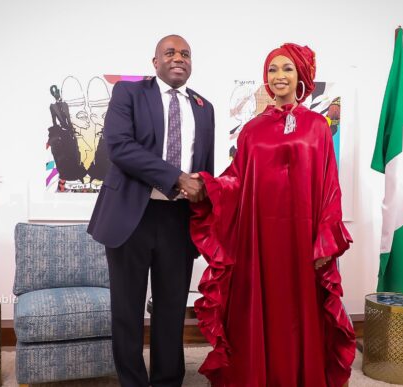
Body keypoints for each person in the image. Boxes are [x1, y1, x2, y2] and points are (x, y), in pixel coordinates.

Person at [189, 43, 356, 387]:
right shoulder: (251, 130)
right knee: (259, 307)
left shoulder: (318, 127)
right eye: (272, 70)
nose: (279, 77)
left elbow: (329, 185)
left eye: (287, 69)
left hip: (304, 239)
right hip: (258, 240)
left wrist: (325, 239)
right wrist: (209, 187)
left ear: (301, 77)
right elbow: (237, 180)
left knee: (302, 311)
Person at [87, 34, 215, 387]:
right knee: (127, 310)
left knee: (172, 309)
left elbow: (205, 167)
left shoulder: (205, 107)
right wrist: (176, 178)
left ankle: (167, 380)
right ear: (155, 62)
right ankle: (133, 382)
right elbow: (120, 147)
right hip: (131, 215)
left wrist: (205, 192)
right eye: (170, 52)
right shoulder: (129, 94)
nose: (179, 58)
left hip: (178, 220)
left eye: (186, 53)